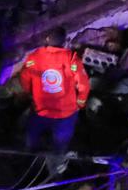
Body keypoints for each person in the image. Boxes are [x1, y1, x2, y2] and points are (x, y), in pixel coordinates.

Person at [19, 27, 91, 155]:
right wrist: (80, 103)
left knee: (32, 136)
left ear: (47, 39)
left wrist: (30, 93)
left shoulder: (34, 57)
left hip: (41, 110)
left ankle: (28, 156)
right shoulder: (71, 58)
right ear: (64, 42)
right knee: (60, 146)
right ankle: (57, 165)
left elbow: (24, 80)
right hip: (66, 113)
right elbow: (83, 84)